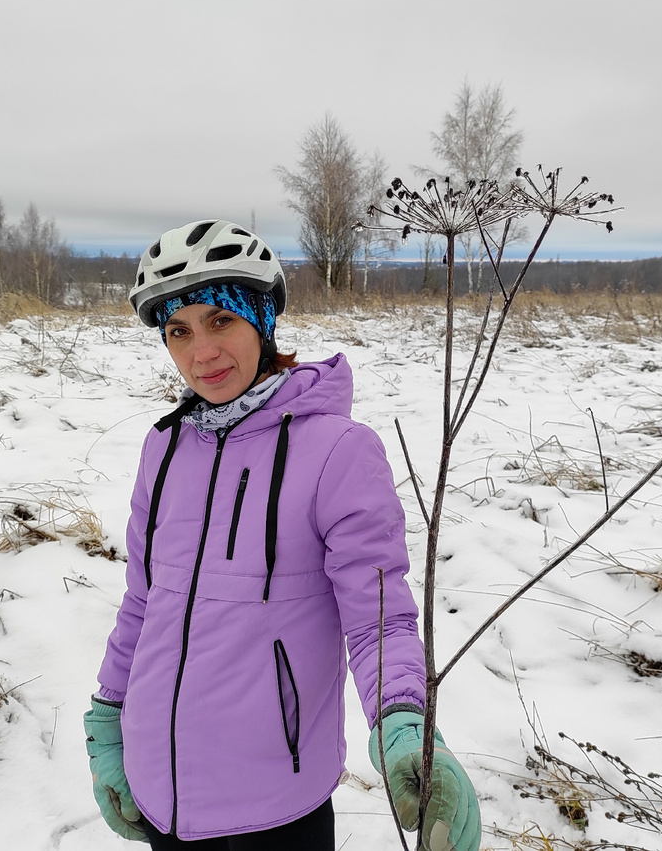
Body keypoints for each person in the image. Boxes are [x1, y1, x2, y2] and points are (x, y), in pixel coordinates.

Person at [83, 220, 481, 850]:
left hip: (276, 809)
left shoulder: (338, 451)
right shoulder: (163, 449)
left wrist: (404, 725)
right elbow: (142, 601)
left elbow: (379, 617)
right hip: (161, 795)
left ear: (262, 321)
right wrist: (108, 719)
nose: (200, 353)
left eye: (220, 321)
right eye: (178, 331)